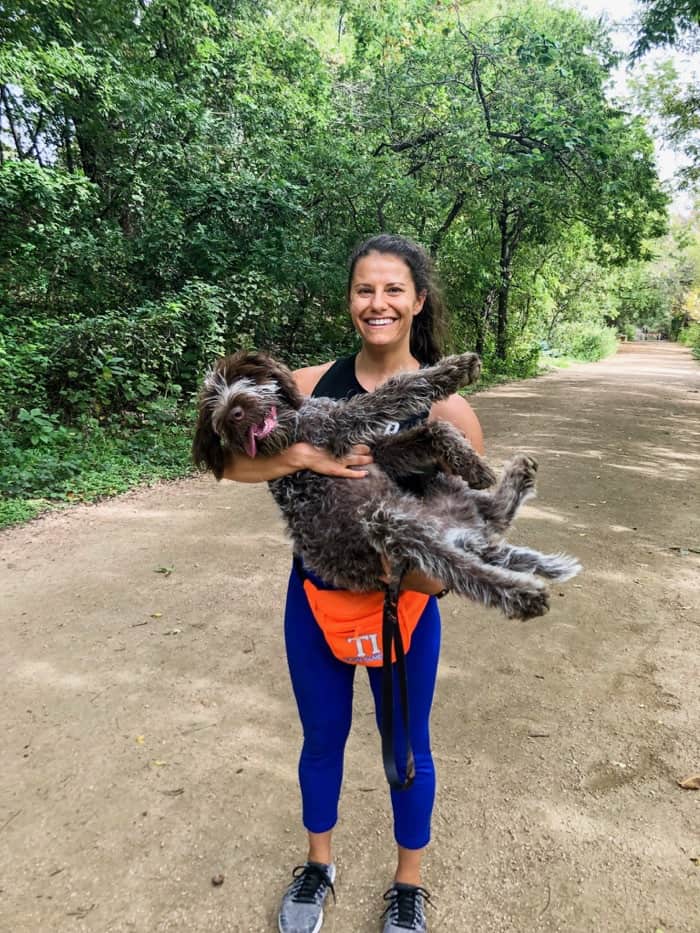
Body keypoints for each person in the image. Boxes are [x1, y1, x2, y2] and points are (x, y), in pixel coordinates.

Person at [222, 234, 485, 932]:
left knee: (406, 745)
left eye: (394, 289)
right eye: (365, 289)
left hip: (403, 608)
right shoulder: (306, 386)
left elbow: (470, 525)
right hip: (314, 598)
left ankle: (408, 882)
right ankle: (318, 864)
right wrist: (299, 454)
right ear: (350, 301)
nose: (379, 303)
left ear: (418, 300)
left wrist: (429, 577)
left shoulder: (448, 409)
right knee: (321, 736)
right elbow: (227, 465)